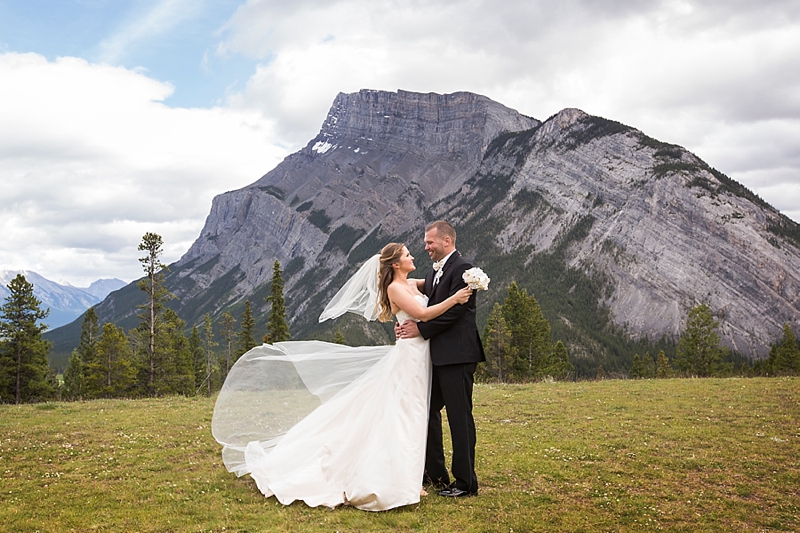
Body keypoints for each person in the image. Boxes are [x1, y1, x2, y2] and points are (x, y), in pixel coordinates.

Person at [212, 243, 471, 511]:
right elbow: (423, 314)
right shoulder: (395, 288)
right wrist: (456, 299)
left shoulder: (410, 283)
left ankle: (412, 474)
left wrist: (460, 278)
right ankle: (399, 478)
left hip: (420, 355)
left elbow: (431, 283)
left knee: (414, 414)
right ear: (395, 264)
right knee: (404, 414)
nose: (412, 256)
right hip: (410, 357)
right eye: (407, 255)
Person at [396, 220, 485, 497]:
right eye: (425, 243)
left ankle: (466, 483)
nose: (426, 247)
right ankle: (435, 473)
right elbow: (427, 294)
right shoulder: (435, 271)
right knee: (426, 411)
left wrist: (419, 329)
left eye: (430, 242)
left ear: (446, 241)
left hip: (458, 355)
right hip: (437, 357)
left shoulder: (463, 270)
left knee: (459, 418)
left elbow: (454, 313)